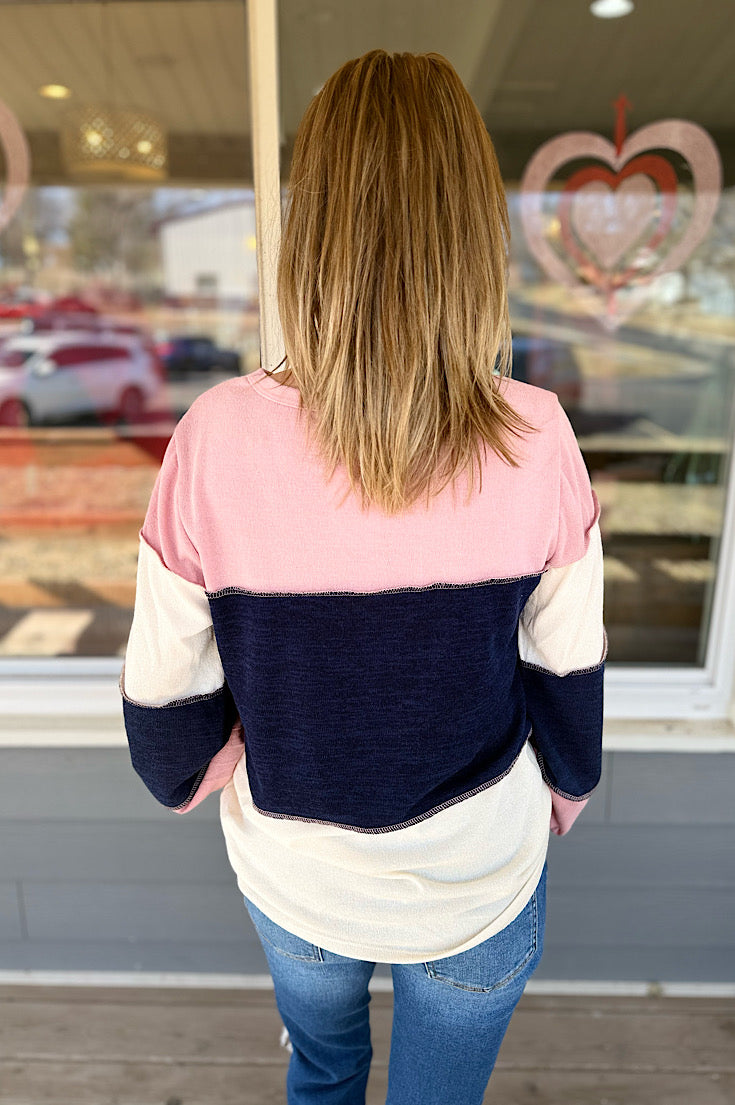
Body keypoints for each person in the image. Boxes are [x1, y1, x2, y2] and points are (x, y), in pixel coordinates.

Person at [121, 49, 605, 1105]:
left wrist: (220, 776)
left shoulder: (213, 439)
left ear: (310, 223)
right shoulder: (541, 437)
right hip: (479, 876)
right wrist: (554, 798)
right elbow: (570, 684)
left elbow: (164, 715)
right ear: (477, 231)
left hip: (296, 878)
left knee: (326, 1073)